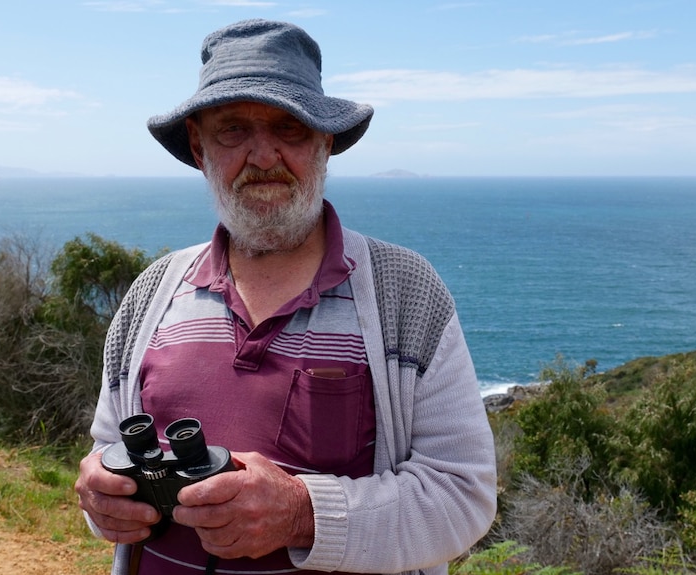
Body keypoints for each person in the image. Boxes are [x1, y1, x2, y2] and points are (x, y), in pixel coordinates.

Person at [75, 18, 497, 575]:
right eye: (232, 131)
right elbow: (110, 448)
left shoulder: (405, 293)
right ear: (200, 147)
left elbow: (462, 495)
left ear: (325, 143)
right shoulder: (154, 291)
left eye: (290, 128)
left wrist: (303, 513)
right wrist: (102, 496)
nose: (264, 155)